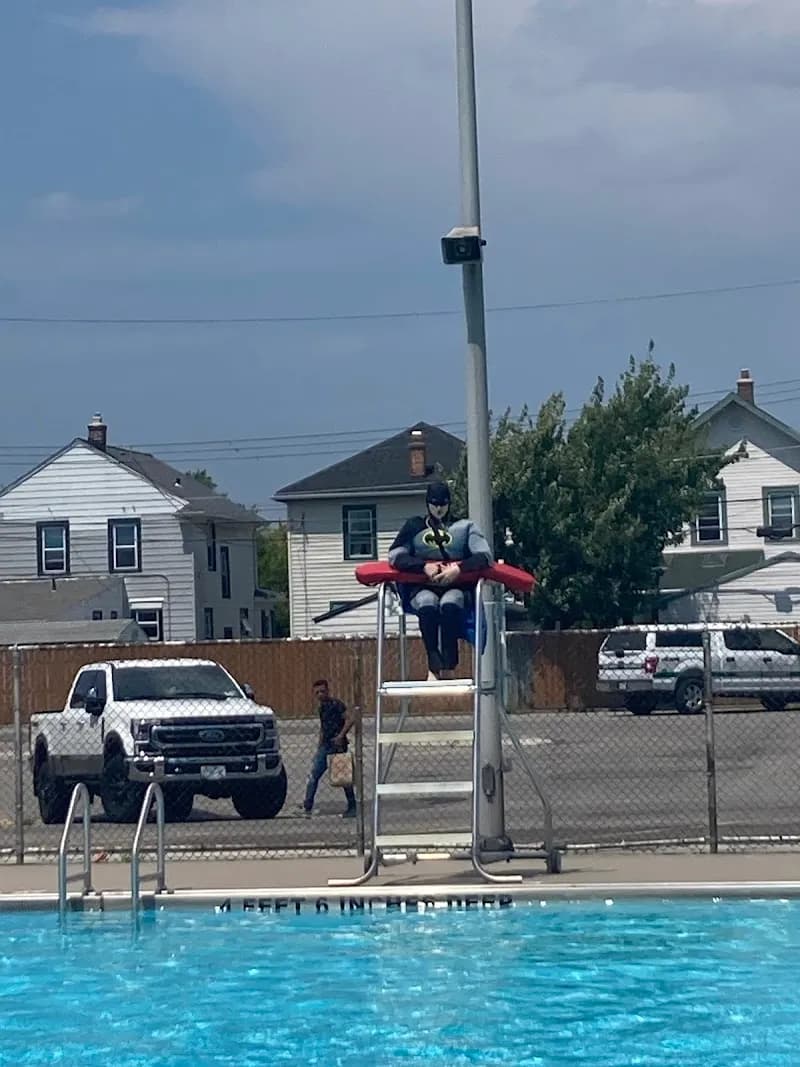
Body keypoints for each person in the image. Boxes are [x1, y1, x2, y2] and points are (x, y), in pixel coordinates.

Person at [388, 480, 492, 679]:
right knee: (427, 602)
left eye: (443, 504)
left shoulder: (465, 527)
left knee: (449, 603)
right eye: (434, 504)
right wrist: (423, 566)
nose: (439, 508)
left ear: (449, 503)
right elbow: (395, 556)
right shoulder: (414, 526)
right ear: (427, 503)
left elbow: (484, 556)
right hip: (423, 587)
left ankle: (449, 663)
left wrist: (458, 569)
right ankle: (433, 662)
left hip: (456, 586)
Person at [301, 679, 356, 818]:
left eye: (322, 691)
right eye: (317, 692)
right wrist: (319, 746)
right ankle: (307, 806)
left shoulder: (336, 705)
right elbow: (323, 728)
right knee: (314, 775)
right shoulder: (321, 708)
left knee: (344, 778)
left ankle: (352, 806)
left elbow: (350, 719)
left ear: (328, 691)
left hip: (338, 746)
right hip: (326, 745)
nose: (320, 694)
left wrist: (341, 736)